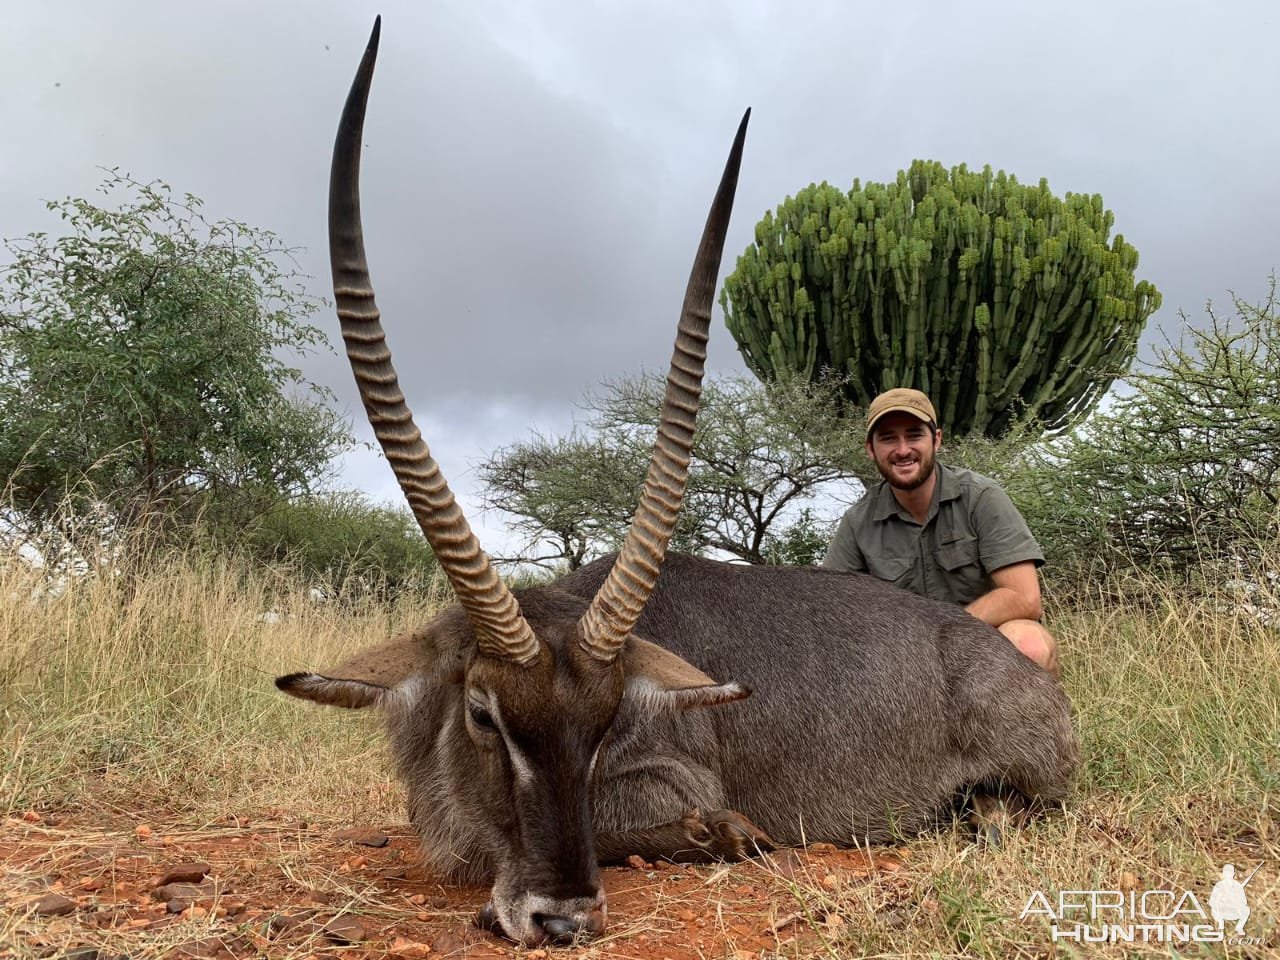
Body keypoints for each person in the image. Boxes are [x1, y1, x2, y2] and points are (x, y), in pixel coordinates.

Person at [821, 388, 1059, 676]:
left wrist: (943, 633)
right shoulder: (857, 522)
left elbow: (1025, 598)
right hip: (905, 654)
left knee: (1029, 646)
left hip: (985, 639)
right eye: (888, 438)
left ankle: (1028, 720)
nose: (903, 449)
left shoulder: (981, 497)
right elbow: (831, 615)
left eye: (914, 435)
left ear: (936, 440)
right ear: (871, 449)